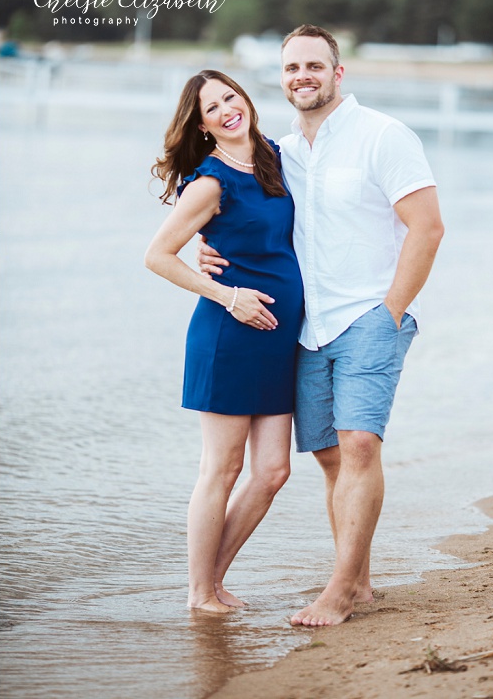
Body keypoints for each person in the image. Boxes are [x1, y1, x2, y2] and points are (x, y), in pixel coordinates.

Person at [199, 25, 444, 626]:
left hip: (369, 316)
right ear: (279, 80)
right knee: (332, 459)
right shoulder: (279, 154)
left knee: (361, 443)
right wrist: (208, 249)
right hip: (305, 327)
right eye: (290, 69)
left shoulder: (383, 135)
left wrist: (391, 312)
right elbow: (241, 211)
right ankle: (358, 579)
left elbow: (428, 227)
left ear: (339, 73)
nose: (301, 77)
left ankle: (337, 592)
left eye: (314, 65)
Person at [145, 70, 305, 613]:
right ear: (204, 126)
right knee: (222, 468)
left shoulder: (278, 158)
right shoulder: (210, 182)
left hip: (279, 337)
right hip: (230, 334)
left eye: (230, 97)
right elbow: (157, 256)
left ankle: (211, 579)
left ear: (245, 100)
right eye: (212, 108)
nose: (226, 110)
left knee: (273, 471)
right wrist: (226, 293)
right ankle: (199, 592)